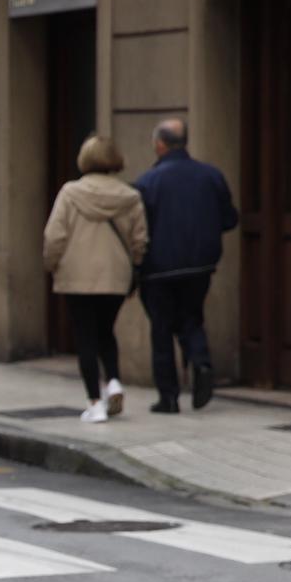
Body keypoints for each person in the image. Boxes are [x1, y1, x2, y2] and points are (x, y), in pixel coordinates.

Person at [133, 118, 237, 412]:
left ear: (159, 145)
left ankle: (168, 397)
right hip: (200, 266)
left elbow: (138, 229)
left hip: (158, 269)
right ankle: (201, 362)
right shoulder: (211, 176)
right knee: (191, 318)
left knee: (162, 329)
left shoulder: (147, 182)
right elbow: (229, 219)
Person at [43, 134, 147, 422]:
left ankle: (94, 403)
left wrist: (52, 264)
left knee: (86, 337)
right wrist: (135, 266)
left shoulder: (70, 193)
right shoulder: (131, 196)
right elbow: (140, 241)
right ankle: (113, 380)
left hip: (77, 276)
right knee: (106, 331)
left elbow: (54, 236)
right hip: (116, 276)